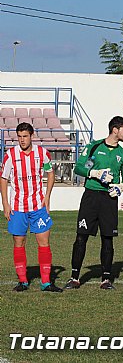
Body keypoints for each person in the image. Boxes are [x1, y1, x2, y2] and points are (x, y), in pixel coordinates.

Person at [65, 116, 123, 290]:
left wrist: (121, 187)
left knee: (107, 238)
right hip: (91, 197)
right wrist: (95, 173)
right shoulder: (95, 147)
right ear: (115, 130)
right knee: (81, 237)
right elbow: (80, 167)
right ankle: (74, 277)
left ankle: (106, 280)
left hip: (109, 199)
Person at [1, 122, 62, 292]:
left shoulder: (42, 153)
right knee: (19, 242)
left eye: (25, 136)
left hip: (38, 206)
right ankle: (23, 281)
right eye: (19, 136)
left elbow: (50, 173)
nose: (22, 140)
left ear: (31, 136)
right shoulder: (10, 155)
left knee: (43, 242)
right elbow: (3, 179)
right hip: (17, 207)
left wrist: (47, 197)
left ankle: (46, 282)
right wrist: (5, 203)